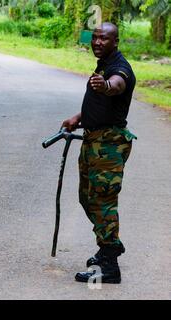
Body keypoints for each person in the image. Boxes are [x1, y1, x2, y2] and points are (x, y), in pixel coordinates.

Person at [61, 23, 136, 284]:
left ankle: (109, 265)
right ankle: (109, 246)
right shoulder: (103, 63)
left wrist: (105, 85)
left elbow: (117, 85)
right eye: (94, 37)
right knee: (87, 198)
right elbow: (103, 104)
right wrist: (78, 118)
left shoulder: (118, 68)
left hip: (108, 145)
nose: (97, 42)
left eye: (104, 38)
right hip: (94, 140)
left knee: (103, 202)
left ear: (115, 41)